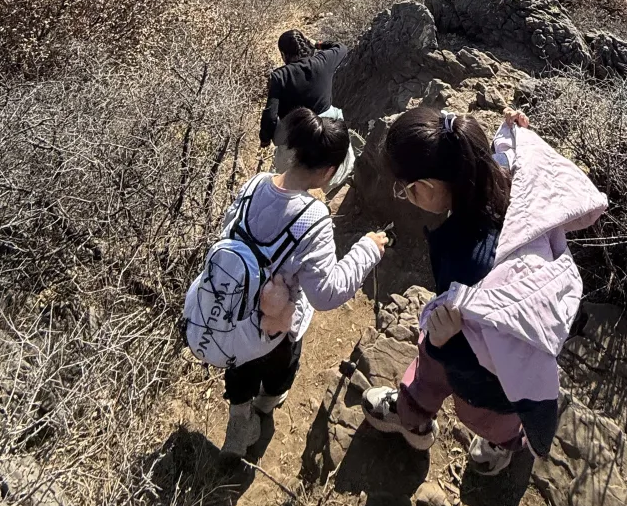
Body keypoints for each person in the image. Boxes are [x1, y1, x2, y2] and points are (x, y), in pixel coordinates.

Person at [360, 106, 606, 476]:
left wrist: (444, 343)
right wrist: (515, 134)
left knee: (481, 413)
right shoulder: (499, 177)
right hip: (458, 325)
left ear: (426, 187)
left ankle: (504, 441)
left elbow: (491, 355)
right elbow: (506, 156)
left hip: (488, 379)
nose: (404, 195)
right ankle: (412, 413)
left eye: (405, 189)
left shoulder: (467, 261)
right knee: (428, 370)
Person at [195, 107, 388, 457]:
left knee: (240, 364)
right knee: (279, 369)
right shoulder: (314, 218)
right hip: (276, 327)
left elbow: (228, 232)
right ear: (328, 171)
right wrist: (367, 250)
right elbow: (326, 294)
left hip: (231, 310)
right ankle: (265, 406)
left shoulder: (255, 184)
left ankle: (238, 425)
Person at [260, 31, 354, 193]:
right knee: (335, 116)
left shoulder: (279, 76)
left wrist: (265, 139)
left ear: (283, 54)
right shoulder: (323, 61)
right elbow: (341, 47)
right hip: (327, 125)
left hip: (295, 130)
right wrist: (318, 44)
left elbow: (270, 114)